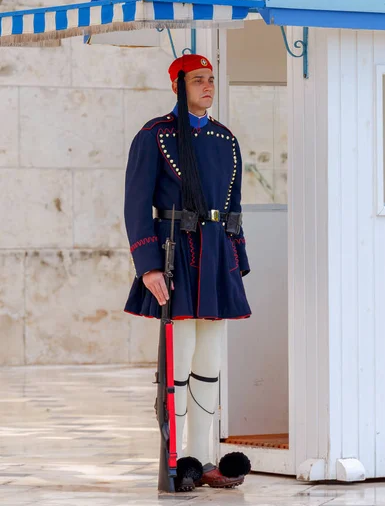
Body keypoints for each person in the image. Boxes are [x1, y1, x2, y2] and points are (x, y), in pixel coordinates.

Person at [124, 53, 252, 491]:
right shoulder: (154, 136)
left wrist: (237, 263)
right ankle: (176, 462)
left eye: (211, 80)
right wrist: (148, 267)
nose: (208, 87)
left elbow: (233, 209)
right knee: (178, 361)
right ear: (178, 85)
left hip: (217, 258)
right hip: (176, 255)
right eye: (198, 80)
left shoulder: (225, 139)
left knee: (210, 361)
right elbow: (136, 206)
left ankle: (207, 459)